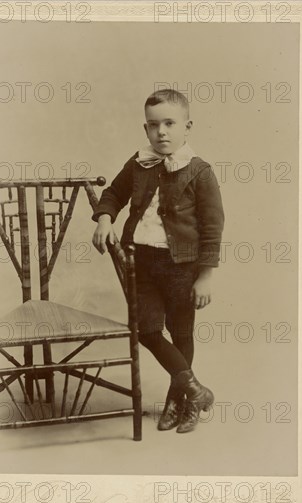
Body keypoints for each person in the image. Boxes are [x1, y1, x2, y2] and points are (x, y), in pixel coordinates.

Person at [92, 89, 225, 434]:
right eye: (154, 125)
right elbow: (113, 194)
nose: (161, 132)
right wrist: (105, 219)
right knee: (147, 329)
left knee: (181, 332)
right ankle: (195, 391)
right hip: (142, 263)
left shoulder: (200, 172)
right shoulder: (139, 163)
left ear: (187, 126)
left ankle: (178, 401)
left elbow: (212, 227)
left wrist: (206, 276)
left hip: (183, 266)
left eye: (169, 123)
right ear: (146, 128)